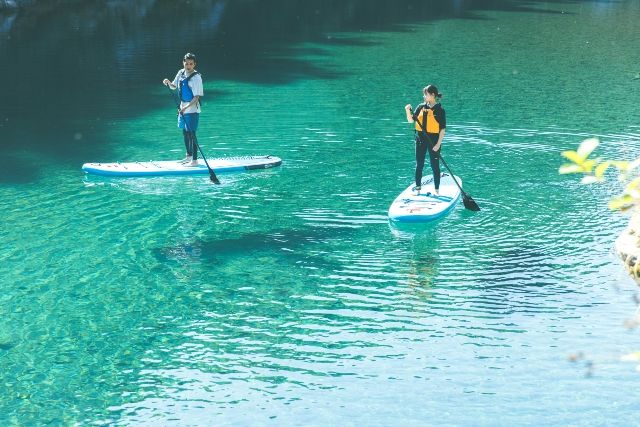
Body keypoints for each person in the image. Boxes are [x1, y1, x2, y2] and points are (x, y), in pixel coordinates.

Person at [162, 52, 204, 167]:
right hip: (183, 107)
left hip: (192, 109)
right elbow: (174, 87)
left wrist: (185, 108)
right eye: (186, 64)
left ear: (194, 64)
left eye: (191, 64)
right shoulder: (181, 73)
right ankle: (188, 156)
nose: (188, 66)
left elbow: (196, 97)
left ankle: (195, 161)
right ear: (183, 63)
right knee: (185, 132)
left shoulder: (196, 77)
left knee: (192, 133)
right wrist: (168, 82)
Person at [404, 84, 446, 195]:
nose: (424, 96)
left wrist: (438, 144)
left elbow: (442, 130)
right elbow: (410, 121)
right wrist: (408, 110)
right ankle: (418, 189)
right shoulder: (420, 107)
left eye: (426, 94)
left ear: (433, 95)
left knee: (434, 165)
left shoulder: (440, 110)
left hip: (434, 141)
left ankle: (437, 190)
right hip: (420, 139)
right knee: (419, 164)